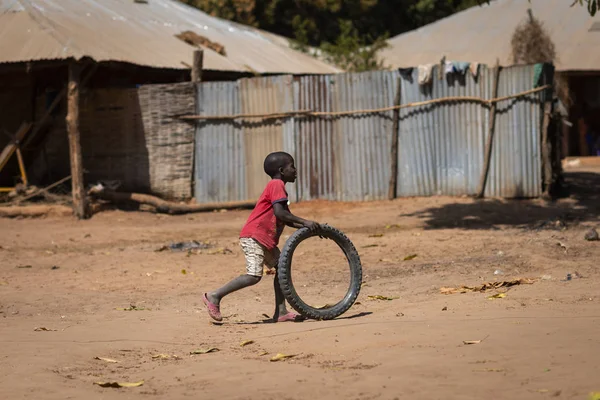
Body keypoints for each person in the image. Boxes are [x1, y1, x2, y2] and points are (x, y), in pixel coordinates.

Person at [202, 151, 320, 323]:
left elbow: (284, 218)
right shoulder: (276, 185)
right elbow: (281, 213)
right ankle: (214, 295)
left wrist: (309, 227)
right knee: (253, 276)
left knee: (282, 271)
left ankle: (281, 312)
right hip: (254, 236)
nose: (295, 170)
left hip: (265, 240)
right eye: (292, 166)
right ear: (281, 170)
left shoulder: (279, 188)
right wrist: (306, 222)